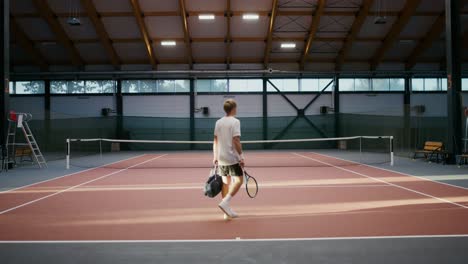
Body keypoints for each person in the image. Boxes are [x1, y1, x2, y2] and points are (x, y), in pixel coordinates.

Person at [213, 99, 245, 220]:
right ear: (233, 109)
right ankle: (225, 203)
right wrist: (241, 157)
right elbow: (236, 140)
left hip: (221, 158)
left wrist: (215, 156)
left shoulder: (218, 122)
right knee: (239, 181)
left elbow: (215, 141)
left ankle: (226, 212)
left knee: (226, 183)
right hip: (231, 157)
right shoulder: (235, 122)